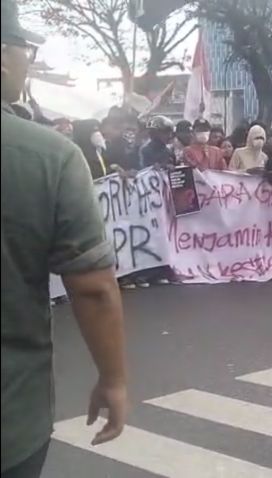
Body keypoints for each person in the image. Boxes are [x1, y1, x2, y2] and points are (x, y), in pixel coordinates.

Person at [2, 1, 128, 475]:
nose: (27, 63)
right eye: (26, 51)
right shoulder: (49, 156)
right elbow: (93, 287)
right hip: (10, 419)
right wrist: (113, 379)